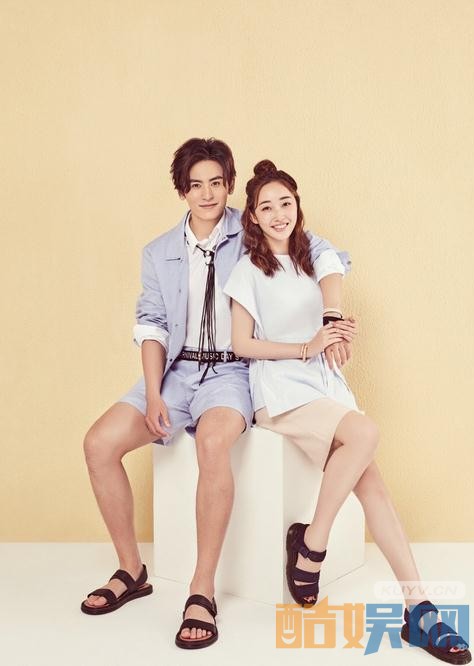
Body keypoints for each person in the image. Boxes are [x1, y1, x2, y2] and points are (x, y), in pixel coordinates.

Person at [80, 139, 351, 650]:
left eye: (217, 183)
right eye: (196, 184)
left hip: (232, 372)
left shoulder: (251, 231)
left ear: (229, 185)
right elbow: (152, 325)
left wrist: (331, 317)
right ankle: (131, 570)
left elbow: (320, 251)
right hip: (175, 371)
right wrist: (154, 393)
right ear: (182, 190)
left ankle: (201, 589)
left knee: (211, 442)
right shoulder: (158, 252)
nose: (207, 194)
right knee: (98, 444)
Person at [223, 160, 471, 664]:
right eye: (266, 207)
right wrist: (306, 347)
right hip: (280, 392)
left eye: (285, 203)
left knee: (374, 485)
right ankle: (313, 546)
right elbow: (241, 343)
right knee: (366, 434)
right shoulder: (248, 270)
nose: (278, 214)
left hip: (324, 386)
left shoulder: (314, 253)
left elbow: (330, 296)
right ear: (252, 216)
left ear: (298, 205)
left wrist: (336, 336)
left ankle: (418, 610)